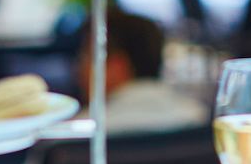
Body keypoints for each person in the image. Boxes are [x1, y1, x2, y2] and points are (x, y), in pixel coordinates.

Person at [75, 7, 208, 134]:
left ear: (117, 65)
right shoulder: (199, 119)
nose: (79, 71)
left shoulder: (81, 131)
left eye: (86, 59)